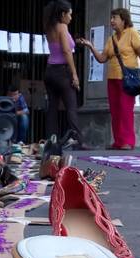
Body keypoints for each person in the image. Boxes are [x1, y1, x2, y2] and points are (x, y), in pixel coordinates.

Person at [79, 8, 140, 150]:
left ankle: (128, 142)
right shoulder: (111, 39)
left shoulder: (132, 34)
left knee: (125, 110)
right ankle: (118, 141)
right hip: (112, 79)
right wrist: (91, 46)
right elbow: (102, 59)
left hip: (127, 79)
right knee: (115, 111)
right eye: (111, 18)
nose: (111, 21)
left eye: (115, 18)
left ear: (123, 20)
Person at [43, 0, 88, 148]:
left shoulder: (49, 27)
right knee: (71, 107)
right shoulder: (63, 27)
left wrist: (75, 41)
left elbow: (57, 46)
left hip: (50, 71)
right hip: (62, 72)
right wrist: (74, 74)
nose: (71, 17)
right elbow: (66, 51)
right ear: (63, 14)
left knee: (52, 108)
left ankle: (51, 141)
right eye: (69, 14)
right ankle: (77, 141)